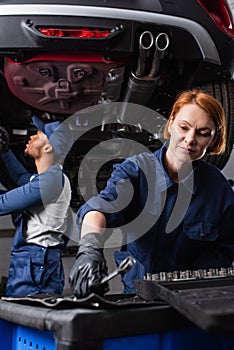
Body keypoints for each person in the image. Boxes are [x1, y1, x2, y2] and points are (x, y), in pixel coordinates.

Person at [69, 89, 234, 297]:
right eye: (184, 127)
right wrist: (89, 251)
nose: (190, 139)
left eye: (203, 133)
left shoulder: (219, 190)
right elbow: (100, 209)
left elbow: (226, 245)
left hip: (192, 298)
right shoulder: (135, 171)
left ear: (213, 139)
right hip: (137, 293)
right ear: (171, 122)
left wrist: (198, 281)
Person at [0, 116, 74, 297]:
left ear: (48, 148)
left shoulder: (51, 181)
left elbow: (3, 204)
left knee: (28, 315)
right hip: (35, 260)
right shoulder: (49, 178)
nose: (32, 137)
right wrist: (5, 151)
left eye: (39, 134)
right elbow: (20, 179)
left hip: (36, 262)